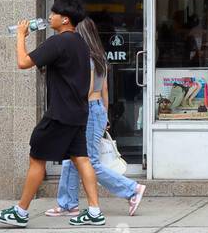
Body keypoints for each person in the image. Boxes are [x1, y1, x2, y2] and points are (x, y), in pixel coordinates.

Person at [0, 0, 106, 228]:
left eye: (53, 14)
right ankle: (94, 211)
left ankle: (20, 211)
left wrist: (21, 36)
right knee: (82, 159)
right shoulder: (81, 43)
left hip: (60, 113)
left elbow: (23, 62)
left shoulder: (58, 42)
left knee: (37, 157)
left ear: (65, 19)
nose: (49, 17)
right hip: (78, 112)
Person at [46, 18, 146, 217]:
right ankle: (67, 204)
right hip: (97, 108)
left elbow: (87, 88)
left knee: (89, 161)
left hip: (87, 109)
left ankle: (131, 189)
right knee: (72, 158)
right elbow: (105, 90)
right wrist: (105, 115)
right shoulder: (99, 56)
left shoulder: (85, 58)